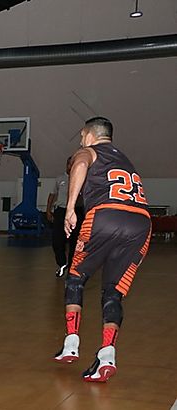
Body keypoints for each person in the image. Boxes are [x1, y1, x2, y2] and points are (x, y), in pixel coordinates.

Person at [54, 117, 151, 383]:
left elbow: (81, 163)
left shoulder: (88, 151)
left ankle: (71, 342)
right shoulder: (125, 160)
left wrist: (71, 207)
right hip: (141, 223)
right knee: (113, 293)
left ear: (89, 134)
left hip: (106, 215)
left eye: (81, 135)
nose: (80, 140)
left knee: (76, 278)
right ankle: (107, 355)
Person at [47, 157, 84, 277]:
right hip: (61, 211)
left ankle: (73, 267)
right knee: (57, 240)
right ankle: (62, 263)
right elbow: (52, 195)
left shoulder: (81, 178)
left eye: (73, 165)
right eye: (69, 164)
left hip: (76, 211)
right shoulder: (60, 179)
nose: (70, 167)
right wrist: (48, 211)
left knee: (75, 240)